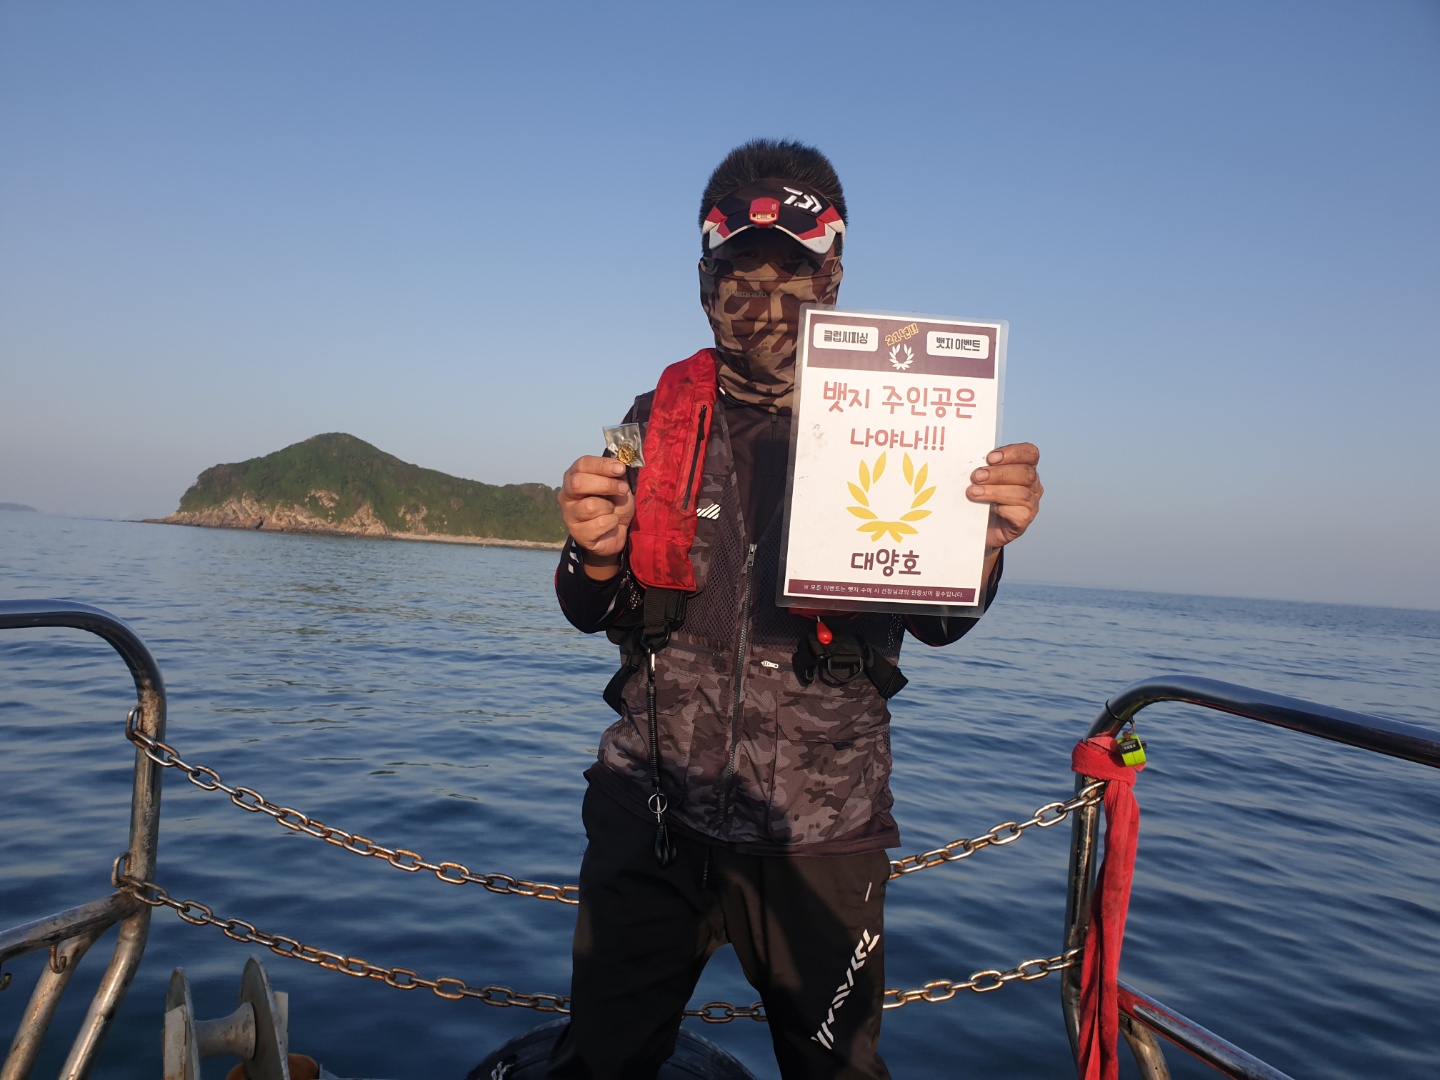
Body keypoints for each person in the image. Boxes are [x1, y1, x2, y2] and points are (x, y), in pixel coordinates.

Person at [549, 138, 1043, 1080]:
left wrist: (980, 544)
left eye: (793, 271)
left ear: (834, 277)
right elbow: (589, 606)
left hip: (821, 833)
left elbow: (940, 623)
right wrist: (593, 548)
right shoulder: (656, 419)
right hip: (649, 809)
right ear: (706, 282)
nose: (767, 297)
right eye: (743, 273)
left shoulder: (909, 419)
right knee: (601, 1066)